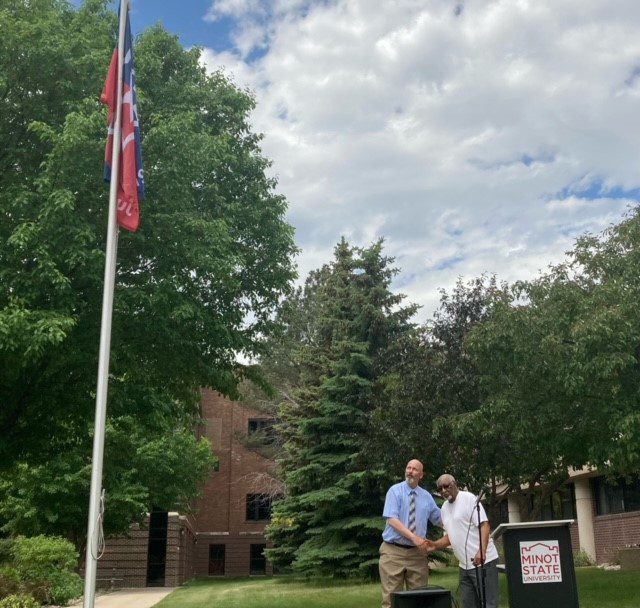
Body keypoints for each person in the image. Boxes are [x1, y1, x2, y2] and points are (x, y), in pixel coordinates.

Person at [426, 474, 499, 608]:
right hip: (464, 566)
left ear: (455, 484)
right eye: (440, 488)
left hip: (483, 561)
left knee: (489, 604)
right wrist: (434, 545)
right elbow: (450, 536)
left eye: (446, 486)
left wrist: (481, 552)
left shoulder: (469, 498)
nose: (443, 490)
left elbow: (484, 525)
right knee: (469, 604)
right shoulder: (444, 509)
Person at [379, 459, 442, 608]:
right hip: (393, 552)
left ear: (421, 475)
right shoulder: (395, 491)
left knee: (419, 600)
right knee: (391, 600)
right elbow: (392, 520)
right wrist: (414, 538)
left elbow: (439, 519)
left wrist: (459, 525)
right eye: (408, 468)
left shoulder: (426, 496)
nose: (410, 471)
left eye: (414, 469)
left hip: (417, 555)